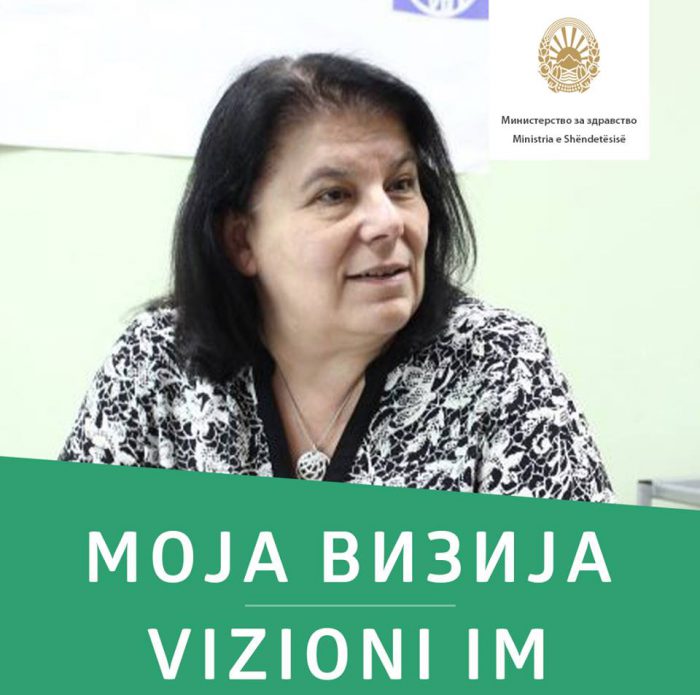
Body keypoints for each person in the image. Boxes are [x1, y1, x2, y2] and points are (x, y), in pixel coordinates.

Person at [59, 53, 614, 501]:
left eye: (401, 185)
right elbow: (62, 577)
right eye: (334, 195)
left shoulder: (498, 361)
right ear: (242, 240)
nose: (388, 222)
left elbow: (581, 591)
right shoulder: (156, 363)